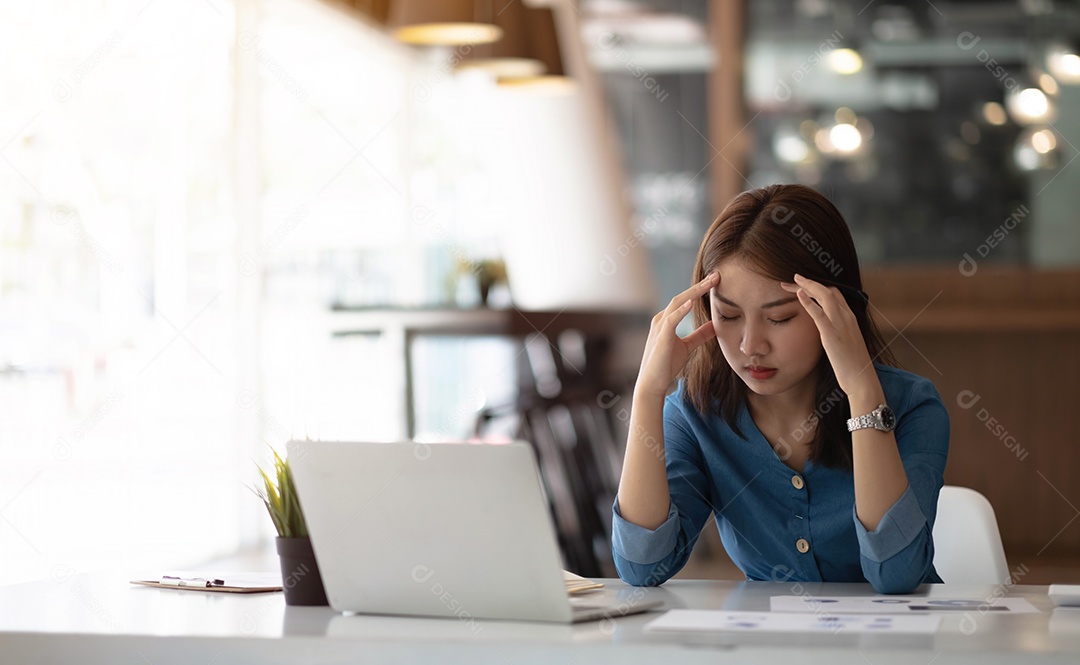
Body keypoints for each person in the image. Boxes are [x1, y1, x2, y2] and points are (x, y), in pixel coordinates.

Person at [611, 184, 948, 594]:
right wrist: (647, 393)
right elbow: (642, 567)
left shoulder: (911, 406)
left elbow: (896, 574)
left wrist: (862, 392)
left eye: (781, 318)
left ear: (836, 309)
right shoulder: (694, 414)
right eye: (728, 315)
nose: (751, 346)